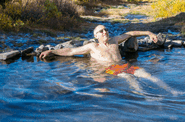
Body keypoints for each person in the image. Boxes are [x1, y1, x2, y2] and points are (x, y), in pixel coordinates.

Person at [40, 25, 177, 95]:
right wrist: (51, 51)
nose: (105, 32)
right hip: (110, 68)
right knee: (129, 78)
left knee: (149, 76)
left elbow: (130, 34)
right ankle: (147, 96)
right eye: (101, 31)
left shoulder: (114, 40)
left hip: (123, 64)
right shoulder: (92, 46)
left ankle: (172, 91)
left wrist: (149, 33)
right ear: (95, 35)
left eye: (106, 30)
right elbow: (70, 51)